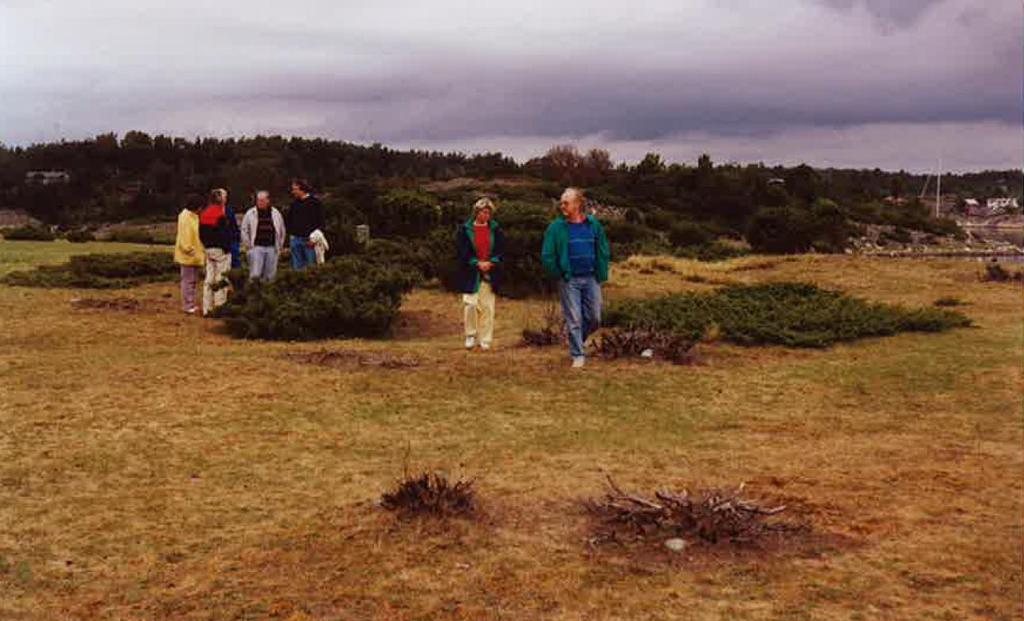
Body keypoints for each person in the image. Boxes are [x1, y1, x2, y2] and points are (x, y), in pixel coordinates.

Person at [541, 187, 611, 368]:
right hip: (569, 280)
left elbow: (603, 248)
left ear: (578, 204)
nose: (562, 205)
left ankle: (578, 340)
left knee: (595, 318)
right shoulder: (556, 227)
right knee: (574, 319)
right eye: (561, 202)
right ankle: (578, 354)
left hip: (591, 278)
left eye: (566, 202)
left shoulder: (593, 224)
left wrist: (601, 271)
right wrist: (560, 273)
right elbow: (548, 255)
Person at [456, 197, 504, 350]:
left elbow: (501, 249)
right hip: (471, 273)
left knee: (488, 307)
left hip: (490, 272)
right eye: (483, 212)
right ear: (476, 212)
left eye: (489, 213)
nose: (486, 215)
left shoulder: (496, 229)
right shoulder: (464, 230)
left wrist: (492, 262)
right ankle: (470, 335)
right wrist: (476, 263)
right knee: (470, 304)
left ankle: (485, 339)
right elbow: (462, 251)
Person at [198, 188, 234, 315]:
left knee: (209, 278)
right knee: (221, 278)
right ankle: (220, 306)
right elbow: (223, 234)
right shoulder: (220, 214)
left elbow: (201, 234)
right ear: (219, 199)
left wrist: (206, 246)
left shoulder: (204, 213)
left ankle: (207, 308)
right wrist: (227, 249)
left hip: (208, 249)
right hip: (220, 250)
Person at [240, 190, 286, 282]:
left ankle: (267, 294)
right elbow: (244, 230)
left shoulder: (275, 213)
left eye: (262, 200)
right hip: (256, 247)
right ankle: (254, 294)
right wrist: (248, 245)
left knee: (270, 275)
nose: (260, 202)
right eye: (258, 200)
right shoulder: (250, 213)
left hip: (272, 248)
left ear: (268, 201)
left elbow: (281, 229)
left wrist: (280, 245)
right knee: (255, 274)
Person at [173, 195, 205, 314]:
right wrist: (189, 250)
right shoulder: (185, 217)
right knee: (188, 281)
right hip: (188, 255)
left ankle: (190, 303)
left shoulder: (193, 217)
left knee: (192, 280)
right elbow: (185, 237)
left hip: (194, 254)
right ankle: (188, 305)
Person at [285, 178, 325, 270]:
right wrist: (290, 237)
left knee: (311, 267)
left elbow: (321, 222)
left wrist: (314, 239)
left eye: (294, 189)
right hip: (295, 239)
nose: (293, 191)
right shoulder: (294, 204)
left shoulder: (315, 203)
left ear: (301, 189)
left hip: (309, 240)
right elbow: (289, 221)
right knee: (297, 268)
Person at [224, 201, 242, 270]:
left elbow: (234, 226)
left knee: (235, 261)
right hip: (222, 243)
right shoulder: (212, 212)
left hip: (232, 240)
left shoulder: (229, 211)